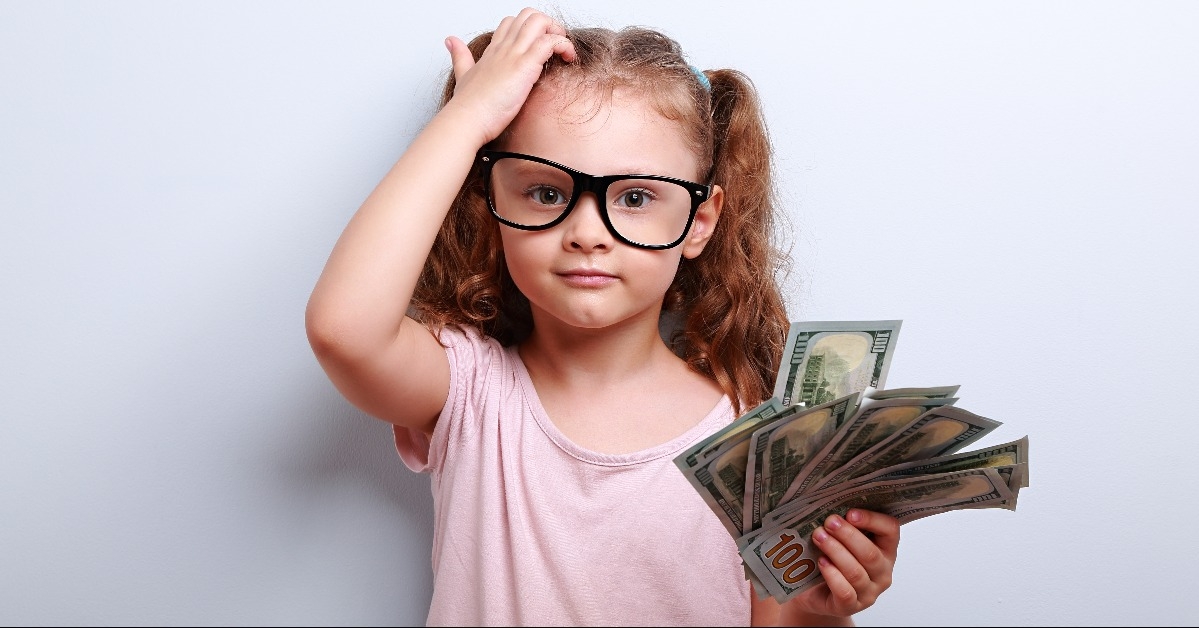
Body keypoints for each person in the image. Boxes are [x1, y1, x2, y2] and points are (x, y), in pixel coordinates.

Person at [306, 8, 900, 626]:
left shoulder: (756, 439)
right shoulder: (470, 391)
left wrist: (819, 609)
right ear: (491, 199)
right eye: (546, 192)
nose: (587, 233)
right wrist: (468, 118)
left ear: (699, 221)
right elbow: (344, 330)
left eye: (635, 197)